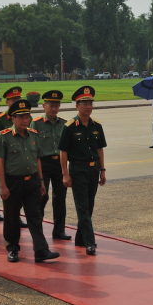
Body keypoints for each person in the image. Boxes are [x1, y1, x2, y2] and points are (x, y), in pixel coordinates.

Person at [0, 99, 60, 264]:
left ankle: (40, 250)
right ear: (13, 118)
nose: (25, 120)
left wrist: (41, 181)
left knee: (35, 216)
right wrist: (2, 186)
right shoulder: (5, 137)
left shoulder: (33, 135)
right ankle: (13, 249)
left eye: (27, 116)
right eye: (21, 117)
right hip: (12, 183)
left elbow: (37, 159)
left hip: (32, 182)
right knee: (11, 217)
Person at [59, 86, 106, 256]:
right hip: (77, 170)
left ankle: (80, 237)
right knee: (83, 207)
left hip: (93, 170)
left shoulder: (97, 126)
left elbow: (100, 149)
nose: (88, 106)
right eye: (84, 103)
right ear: (76, 105)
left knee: (90, 205)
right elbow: (63, 152)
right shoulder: (70, 127)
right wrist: (65, 174)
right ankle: (89, 241)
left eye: (90, 103)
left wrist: (103, 170)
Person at [30, 90, 71, 241]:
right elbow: (33, 145)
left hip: (59, 164)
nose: (54, 109)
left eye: (56, 105)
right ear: (44, 106)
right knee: (42, 196)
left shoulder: (64, 123)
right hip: (44, 163)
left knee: (60, 198)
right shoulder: (37, 122)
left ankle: (59, 231)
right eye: (51, 105)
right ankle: (38, 229)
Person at [0, 86, 22, 220]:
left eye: (18, 99)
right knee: (4, 191)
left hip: (20, 159)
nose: (15, 102)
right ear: (6, 102)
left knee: (21, 192)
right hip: (6, 161)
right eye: (12, 100)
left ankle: (16, 216)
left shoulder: (26, 117)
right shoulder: (1, 119)